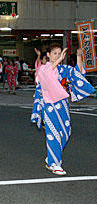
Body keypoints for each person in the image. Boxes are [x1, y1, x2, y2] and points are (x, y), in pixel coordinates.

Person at [37, 44, 95, 175]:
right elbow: (46, 75)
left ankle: (52, 156)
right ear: (48, 55)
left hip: (63, 104)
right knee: (53, 134)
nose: (57, 56)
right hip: (50, 105)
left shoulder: (63, 69)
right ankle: (54, 163)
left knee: (66, 132)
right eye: (55, 53)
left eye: (59, 53)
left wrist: (79, 56)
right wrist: (58, 60)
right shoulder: (43, 68)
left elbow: (77, 73)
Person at [31, 48, 48, 128]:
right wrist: (39, 55)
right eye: (45, 59)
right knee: (40, 104)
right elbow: (37, 63)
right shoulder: (40, 67)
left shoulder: (51, 67)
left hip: (48, 89)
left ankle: (45, 120)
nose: (46, 60)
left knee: (46, 105)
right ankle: (40, 120)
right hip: (40, 88)